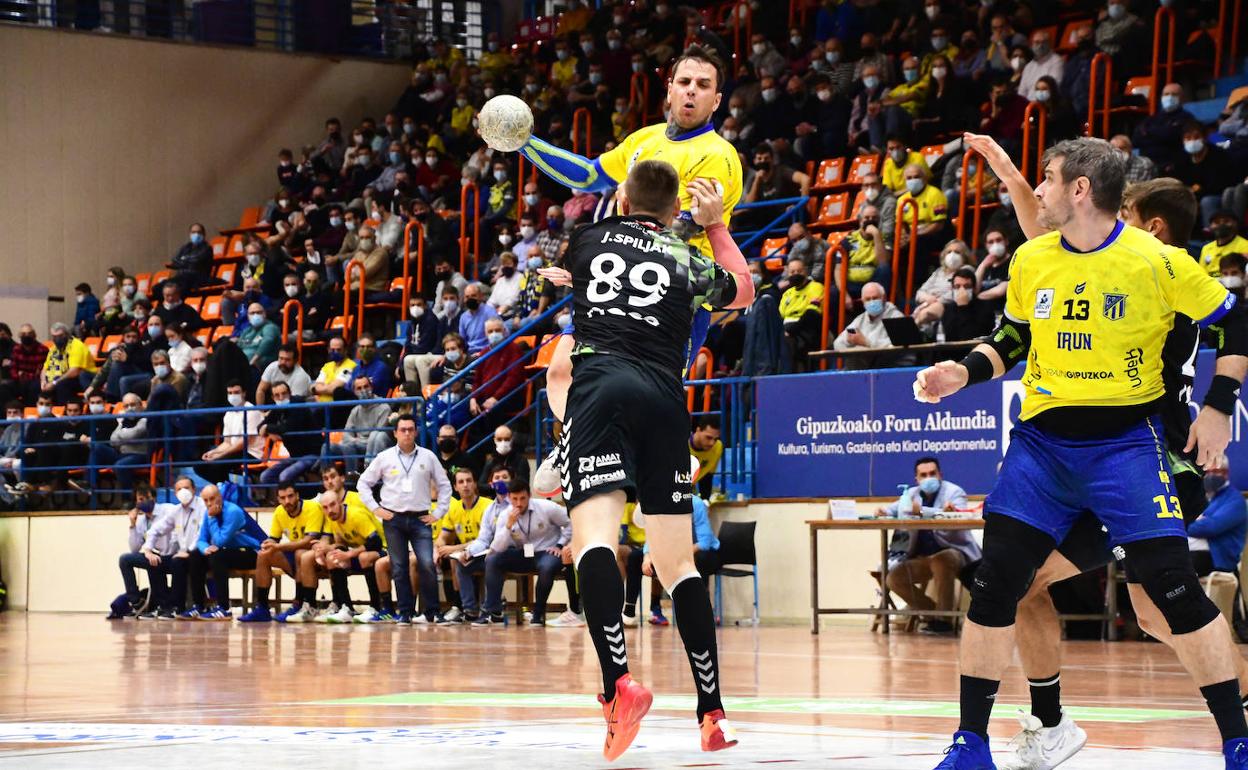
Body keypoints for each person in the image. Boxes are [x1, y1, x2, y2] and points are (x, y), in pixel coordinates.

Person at [914, 138, 1248, 769]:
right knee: (997, 584)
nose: (1036, 191)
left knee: (1169, 594)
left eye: (1046, 179)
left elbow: (1235, 319)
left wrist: (1219, 404)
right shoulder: (1033, 258)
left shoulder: (1155, 260)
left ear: (1080, 190)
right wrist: (961, 372)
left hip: (1127, 445)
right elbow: (1012, 335)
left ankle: (1237, 740)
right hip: (1041, 446)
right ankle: (973, 743)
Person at [544, 161, 752, 758]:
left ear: (623, 197)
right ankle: (712, 713)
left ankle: (620, 686)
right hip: (665, 398)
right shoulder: (686, 256)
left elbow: (593, 248)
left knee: (595, 545)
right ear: (673, 211)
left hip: (602, 385)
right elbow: (744, 291)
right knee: (677, 565)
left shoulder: (586, 238)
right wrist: (712, 226)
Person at [356, 414, 452, 624]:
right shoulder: (384, 457)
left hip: (420, 519)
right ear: (395, 433)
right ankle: (405, 612)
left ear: (416, 432)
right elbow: (363, 483)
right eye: (403, 429)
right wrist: (376, 509)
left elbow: (445, 485)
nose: (407, 433)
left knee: (427, 563)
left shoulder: (428, 457)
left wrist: (438, 513)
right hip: (394, 519)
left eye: (410, 429)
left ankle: (432, 612)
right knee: (398, 566)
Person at [877, 457, 979, 635]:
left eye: (932, 473)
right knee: (893, 579)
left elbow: (960, 517)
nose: (928, 478)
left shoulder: (955, 492)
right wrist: (882, 511)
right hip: (922, 558)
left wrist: (923, 511)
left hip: (954, 553)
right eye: (923, 475)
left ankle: (944, 622)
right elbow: (891, 510)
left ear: (940, 475)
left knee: (942, 560)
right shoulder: (911, 495)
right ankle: (933, 614)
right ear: (916, 479)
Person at [451, 477, 570, 626]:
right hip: (523, 554)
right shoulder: (505, 515)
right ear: (509, 497)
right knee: (493, 559)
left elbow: (569, 523)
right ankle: (493, 610)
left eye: (523, 498)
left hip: (547, 551)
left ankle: (538, 614)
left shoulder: (547, 508)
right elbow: (498, 547)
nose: (519, 503)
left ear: (529, 496)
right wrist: (508, 526)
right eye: (515, 499)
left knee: (547, 567)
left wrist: (560, 545)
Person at [236, 480, 324, 622]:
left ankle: (299, 604)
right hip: (295, 560)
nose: (287, 501)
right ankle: (262, 608)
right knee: (264, 554)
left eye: (290, 496)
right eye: (283, 498)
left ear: (297, 495)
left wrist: (278, 546)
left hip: (316, 557)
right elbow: (274, 539)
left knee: (300, 553)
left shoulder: (313, 508)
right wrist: (268, 544)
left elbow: (309, 542)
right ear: (278, 499)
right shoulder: (279, 511)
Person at [311, 488, 387, 624]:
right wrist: (326, 549)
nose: (330, 510)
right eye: (325, 508)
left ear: (340, 502)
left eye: (333, 505)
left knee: (364, 557)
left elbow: (375, 542)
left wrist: (350, 554)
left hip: (384, 550)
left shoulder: (356, 515)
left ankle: (375, 607)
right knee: (333, 558)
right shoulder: (333, 519)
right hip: (362, 552)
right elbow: (341, 543)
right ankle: (346, 608)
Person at [430, 467, 493, 624]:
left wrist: (453, 548)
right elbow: (443, 537)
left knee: (461, 557)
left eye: (469, 481)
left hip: (489, 552)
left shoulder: (488, 506)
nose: (465, 485)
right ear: (455, 487)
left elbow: (486, 539)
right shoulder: (454, 508)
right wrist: (436, 550)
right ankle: (468, 610)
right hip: (469, 554)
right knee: (457, 561)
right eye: (461, 482)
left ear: (475, 484)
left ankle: (490, 608)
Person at [191, 484, 262, 620]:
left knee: (218, 556)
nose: (209, 503)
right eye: (205, 500)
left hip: (253, 552)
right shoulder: (208, 513)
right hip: (231, 552)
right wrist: (205, 549)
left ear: (220, 497)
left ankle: (224, 608)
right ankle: (199, 605)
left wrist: (212, 519)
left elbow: (219, 541)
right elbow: (201, 539)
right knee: (195, 556)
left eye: (212, 499)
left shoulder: (232, 512)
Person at [141, 477, 208, 618]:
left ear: (194, 490)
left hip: (199, 553)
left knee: (177, 562)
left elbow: (202, 533)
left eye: (186, 488)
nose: (183, 492)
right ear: (175, 493)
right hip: (181, 554)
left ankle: (178, 606)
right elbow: (155, 530)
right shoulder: (176, 511)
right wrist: (148, 550)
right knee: (155, 562)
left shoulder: (202, 507)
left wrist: (189, 551)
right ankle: (164, 606)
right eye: (179, 489)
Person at [113, 485, 168, 618]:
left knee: (153, 561)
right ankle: (136, 601)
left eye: (147, 498)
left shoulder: (167, 510)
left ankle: (163, 605)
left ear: (153, 497)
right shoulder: (142, 520)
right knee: (125, 559)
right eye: (140, 499)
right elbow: (134, 548)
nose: (143, 501)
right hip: (153, 555)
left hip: (170, 553)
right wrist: (132, 524)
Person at [194, 380, 264, 484]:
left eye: (236, 392)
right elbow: (227, 442)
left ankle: (225, 490)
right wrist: (213, 452)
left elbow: (244, 442)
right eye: (230, 393)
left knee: (218, 464)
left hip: (251, 453)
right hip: (235, 451)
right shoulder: (228, 414)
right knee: (199, 465)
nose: (233, 395)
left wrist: (220, 455)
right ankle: (225, 487)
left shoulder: (251, 411)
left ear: (244, 393)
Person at [320, 376, 391, 473]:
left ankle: (351, 481)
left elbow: (377, 437)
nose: (363, 390)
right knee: (327, 447)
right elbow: (346, 435)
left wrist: (354, 442)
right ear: (354, 391)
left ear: (372, 387)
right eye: (359, 388)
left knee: (349, 446)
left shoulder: (384, 407)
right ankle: (328, 479)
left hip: (371, 447)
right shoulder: (355, 410)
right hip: (356, 445)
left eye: (366, 386)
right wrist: (354, 441)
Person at [831, 282, 909, 369]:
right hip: (867, 366)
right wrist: (850, 341)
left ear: (884, 298)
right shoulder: (860, 320)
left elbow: (897, 347)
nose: (872, 302)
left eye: (875, 298)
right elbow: (838, 343)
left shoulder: (896, 316)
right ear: (862, 301)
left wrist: (866, 343)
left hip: (892, 367)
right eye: (868, 299)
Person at [1190, 462, 1248, 577]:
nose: (1210, 476)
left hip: (1218, 558)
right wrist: (1199, 522)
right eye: (1208, 472)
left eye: (1215, 472)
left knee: (1179, 567)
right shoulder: (1210, 498)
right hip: (1197, 553)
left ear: (1225, 473)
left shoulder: (1235, 500)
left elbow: (1211, 527)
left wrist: (1192, 524)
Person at [257, 381, 319, 486]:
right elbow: (259, 427)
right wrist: (269, 432)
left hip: (312, 454)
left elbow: (288, 428)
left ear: (290, 393)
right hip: (294, 456)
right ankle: (290, 493)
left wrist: (268, 428)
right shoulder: (278, 409)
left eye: (284, 393)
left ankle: (297, 494)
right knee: (265, 477)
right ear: (273, 397)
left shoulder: (298, 404)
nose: (281, 397)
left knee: (284, 477)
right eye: (277, 395)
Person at [41, 322, 97, 405]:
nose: (57, 339)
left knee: (62, 385)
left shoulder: (77, 346)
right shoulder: (53, 349)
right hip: (60, 378)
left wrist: (54, 383)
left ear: (67, 334)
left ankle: (64, 412)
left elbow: (74, 371)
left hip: (83, 378)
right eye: (54, 337)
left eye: (60, 336)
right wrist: (43, 381)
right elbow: (45, 368)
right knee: (35, 387)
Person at [1201, 210, 1248, 278]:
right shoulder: (1206, 248)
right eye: (1217, 222)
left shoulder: (1245, 245)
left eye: (1226, 221)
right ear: (1210, 226)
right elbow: (1202, 273)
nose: (1221, 225)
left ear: (1235, 223)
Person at [689, 416, 722, 500]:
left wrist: (705, 502)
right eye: (708, 437)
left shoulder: (717, 447)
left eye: (715, 439)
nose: (712, 443)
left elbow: (707, 477)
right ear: (698, 430)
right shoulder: (681, 443)